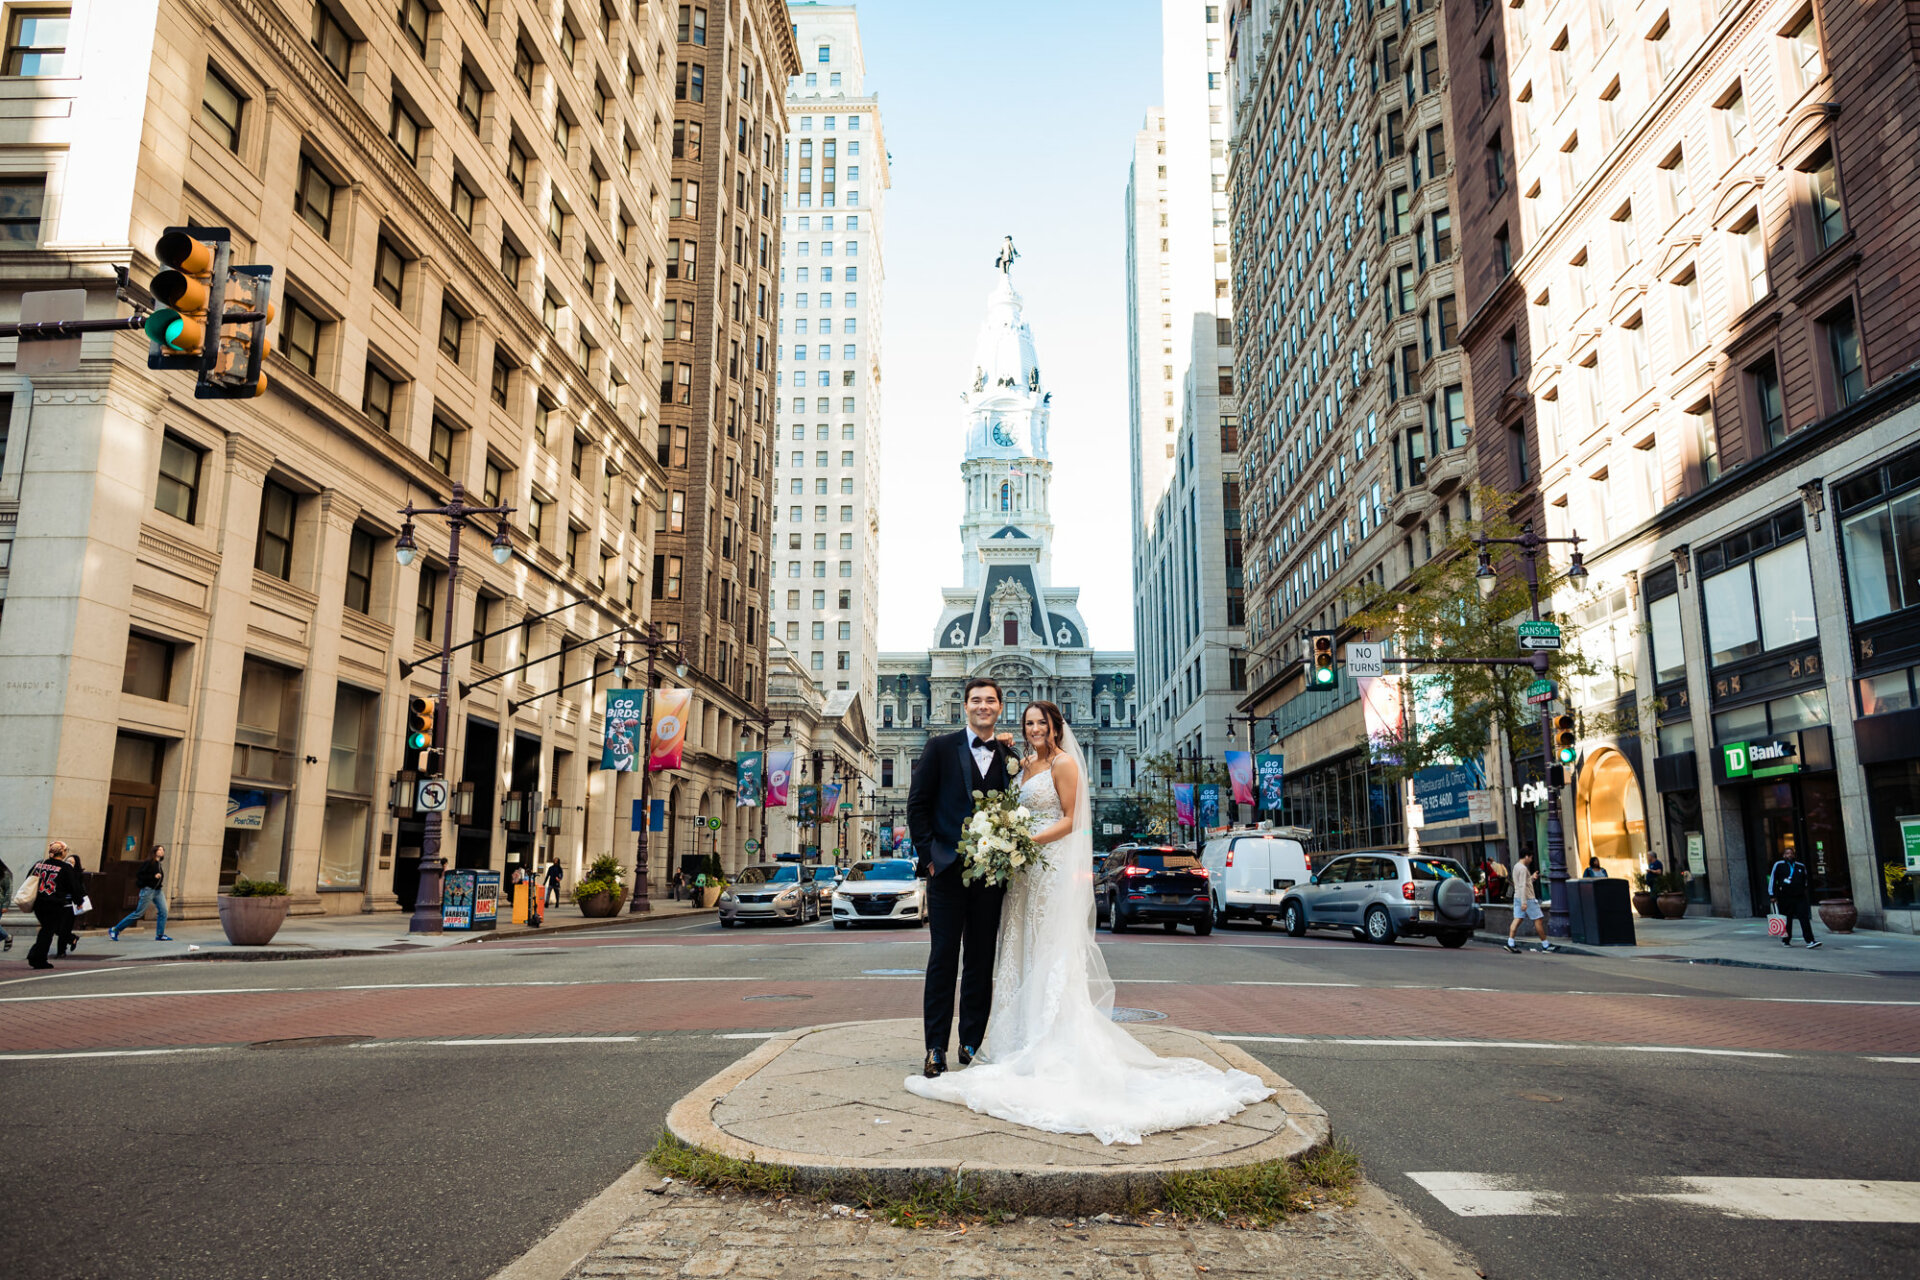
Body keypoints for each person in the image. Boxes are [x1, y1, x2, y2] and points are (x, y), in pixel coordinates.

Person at [905, 701, 1271, 1144]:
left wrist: (1020, 838)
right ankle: (977, 1042)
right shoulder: (1015, 761)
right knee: (1006, 951)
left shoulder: (1062, 764)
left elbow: (1071, 819)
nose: (1034, 729)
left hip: (1041, 862)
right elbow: (932, 801)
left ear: (1056, 725)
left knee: (1023, 952)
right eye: (1028, 724)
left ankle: (1030, 1039)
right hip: (1013, 872)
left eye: (1041, 722)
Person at [906, 677, 1017, 1079]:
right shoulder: (939, 747)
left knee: (980, 960)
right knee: (942, 960)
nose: (983, 706)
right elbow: (916, 806)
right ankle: (935, 1047)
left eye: (990, 700)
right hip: (948, 874)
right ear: (965, 706)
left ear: (1000, 708)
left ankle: (971, 1042)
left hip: (991, 876)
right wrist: (929, 858)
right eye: (976, 700)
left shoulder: (1009, 754)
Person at [25, 841, 85, 970]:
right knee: (48, 931)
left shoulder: (39, 864)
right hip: (54, 903)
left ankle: (35, 955)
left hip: (39, 903)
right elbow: (74, 887)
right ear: (62, 852)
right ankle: (38, 958)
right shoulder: (65, 868)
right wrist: (79, 901)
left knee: (46, 929)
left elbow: (29, 879)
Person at [109, 844, 175, 941]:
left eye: (163, 850)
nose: (162, 851)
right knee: (138, 913)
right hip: (148, 890)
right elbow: (140, 875)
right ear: (154, 851)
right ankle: (115, 929)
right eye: (159, 850)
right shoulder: (149, 863)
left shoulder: (158, 863)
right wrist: (153, 876)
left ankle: (160, 935)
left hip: (158, 891)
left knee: (164, 911)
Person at [1505, 851, 1557, 954]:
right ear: (1526, 856)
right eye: (1531, 857)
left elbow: (1522, 883)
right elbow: (1523, 885)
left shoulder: (1516, 866)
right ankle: (1545, 945)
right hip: (1527, 898)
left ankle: (1510, 943)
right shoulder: (1523, 869)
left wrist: (1532, 878)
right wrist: (1524, 902)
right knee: (1538, 919)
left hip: (1517, 896)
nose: (1531, 860)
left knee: (1517, 919)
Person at [1769, 846, 1820, 948]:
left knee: (1804, 918)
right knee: (1787, 919)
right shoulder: (1778, 865)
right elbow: (1773, 880)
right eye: (1787, 853)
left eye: (1791, 853)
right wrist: (1772, 895)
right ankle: (1786, 940)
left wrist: (1803, 889)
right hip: (1785, 897)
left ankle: (1810, 941)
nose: (1790, 855)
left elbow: (1805, 880)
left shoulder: (1800, 866)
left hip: (1799, 897)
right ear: (1784, 855)